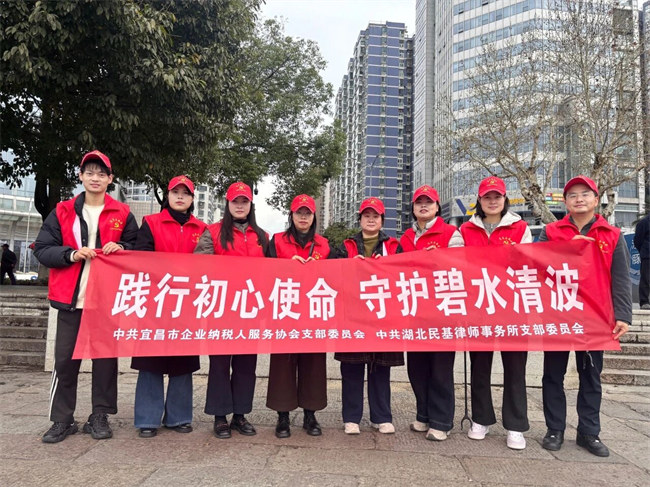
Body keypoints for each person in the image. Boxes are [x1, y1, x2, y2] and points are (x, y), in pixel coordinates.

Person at [33, 150, 138, 443]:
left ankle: (99, 416)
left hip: (107, 302)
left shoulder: (123, 213)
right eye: (89, 172)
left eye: (101, 174)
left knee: (105, 362)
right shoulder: (62, 211)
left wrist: (122, 248)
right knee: (65, 362)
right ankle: (62, 419)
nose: (95, 178)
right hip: (71, 300)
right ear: (80, 176)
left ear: (110, 179)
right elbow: (42, 248)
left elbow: (139, 248)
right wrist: (71, 254)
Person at [540, 175, 632, 457]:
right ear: (565, 202)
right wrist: (568, 250)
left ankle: (589, 432)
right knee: (552, 374)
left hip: (595, 316)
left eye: (585, 194)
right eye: (573, 195)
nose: (579, 199)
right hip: (558, 313)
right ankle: (554, 429)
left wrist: (623, 315)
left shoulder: (612, 234)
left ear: (596, 199)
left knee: (591, 375)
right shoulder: (551, 231)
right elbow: (537, 268)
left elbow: (620, 278)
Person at [130, 175, 207, 438]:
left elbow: (208, 265)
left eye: (186, 193)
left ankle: (179, 417)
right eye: (176, 192)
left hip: (187, 304)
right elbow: (142, 259)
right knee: (150, 363)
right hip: (156, 302)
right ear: (168, 195)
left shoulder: (202, 229)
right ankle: (147, 419)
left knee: (182, 363)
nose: (180, 196)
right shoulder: (151, 223)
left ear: (192, 198)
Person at [460, 176, 532, 450]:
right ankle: (481, 419)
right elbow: (457, 265)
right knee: (480, 366)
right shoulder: (466, 229)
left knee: (515, 368)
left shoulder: (520, 227)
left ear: (505, 199)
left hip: (513, 308)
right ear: (479, 201)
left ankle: (515, 425)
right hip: (479, 307)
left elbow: (528, 262)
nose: (492, 201)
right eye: (487, 197)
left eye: (497, 197)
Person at [194, 181, 268, 439]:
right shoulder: (212, 232)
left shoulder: (262, 236)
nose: (239, 205)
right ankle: (220, 416)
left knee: (246, 365)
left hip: (250, 309)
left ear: (250, 205)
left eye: (244, 201)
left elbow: (273, 271)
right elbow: (200, 267)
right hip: (222, 310)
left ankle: (240, 414)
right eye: (235, 201)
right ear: (227, 203)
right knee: (220, 364)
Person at [266, 194, 337, 438]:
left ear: (314, 216)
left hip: (314, 312)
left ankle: (310, 415)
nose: (303, 217)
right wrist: (287, 266)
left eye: (308, 213)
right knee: (282, 365)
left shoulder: (324, 245)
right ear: (292, 215)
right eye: (299, 212)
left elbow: (336, 275)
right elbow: (264, 272)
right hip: (285, 311)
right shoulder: (277, 241)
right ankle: (283, 417)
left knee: (313, 365)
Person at [400, 185, 464, 441]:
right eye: (419, 203)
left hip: (442, 311)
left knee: (440, 369)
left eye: (429, 202)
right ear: (413, 208)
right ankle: (423, 414)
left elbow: (462, 267)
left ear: (437, 207)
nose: (424, 206)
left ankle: (441, 420)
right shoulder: (406, 237)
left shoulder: (451, 233)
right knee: (417, 368)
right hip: (415, 311)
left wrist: (441, 259)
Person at [335, 197, 404, 435]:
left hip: (384, 316)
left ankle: (381, 416)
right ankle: (351, 417)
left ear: (382, 220)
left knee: (380, 369)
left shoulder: (394, 246)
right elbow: (332, 274)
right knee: (351, 368)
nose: (371, 220)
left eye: (376, 216)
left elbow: (404, 276)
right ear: (360, 219)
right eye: (367, 216)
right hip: (352, 316)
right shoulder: (345, 246)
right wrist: (349, 266)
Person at [634, 213, 649, 309]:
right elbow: (638, 240)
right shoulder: (644, 222)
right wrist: (644, 250)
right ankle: (644, 301)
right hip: (648, 255)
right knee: (646, 279)